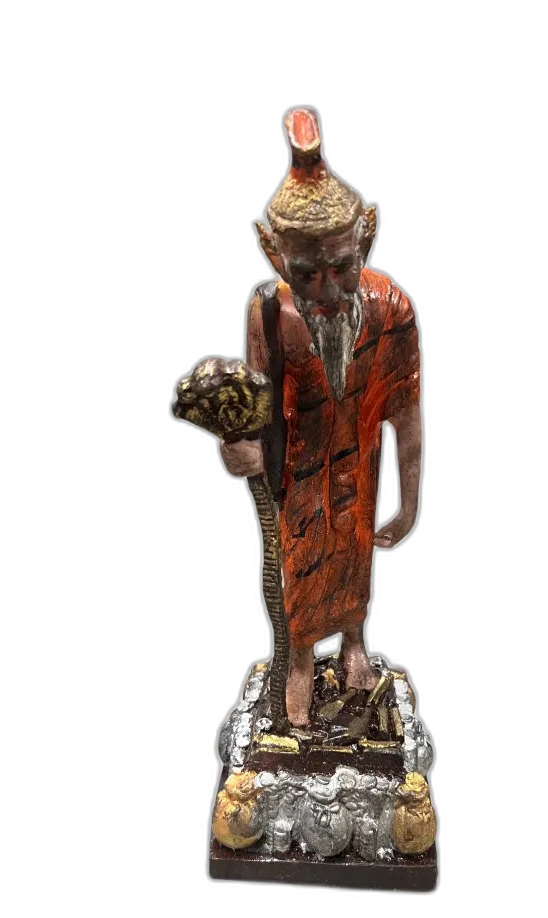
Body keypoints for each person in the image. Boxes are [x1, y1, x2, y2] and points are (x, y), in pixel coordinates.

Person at [219, 107, 423, 728]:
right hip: (297, 467)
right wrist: (238, 444)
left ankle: (355, 642)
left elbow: (406, 414)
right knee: (298, 563)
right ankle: (302, 657)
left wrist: (409, 504)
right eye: (307, 275)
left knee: (356, 549)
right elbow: (252, 402)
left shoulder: (390, 307)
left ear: (367, 236)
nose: (329, 291)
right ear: (272, 251)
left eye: (342, 268)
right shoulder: (269, 313)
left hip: (358, 463)